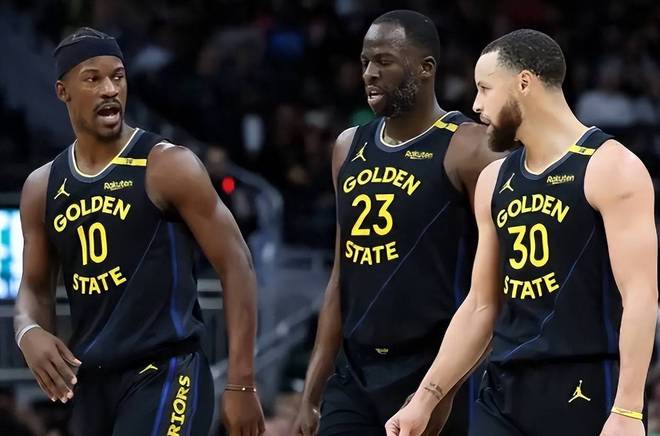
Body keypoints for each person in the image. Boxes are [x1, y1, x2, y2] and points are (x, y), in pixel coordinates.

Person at [386, 29, 658, 436]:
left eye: (485, 88)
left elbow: (641, 297)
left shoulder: (611, 167)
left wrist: (628, 410)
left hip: (584, 388)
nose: (476, 104)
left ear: (524, 83)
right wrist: (423, 400)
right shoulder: (494, 179)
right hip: (502, 390)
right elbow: (480, 306)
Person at [13, 27, 265, 436]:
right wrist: (29, 331)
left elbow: (237, 264)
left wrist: (242, 381)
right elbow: (34, 290)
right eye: (93, 79)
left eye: (118, 76)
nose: (110, 89)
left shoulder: (167, 165)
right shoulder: (42, 187)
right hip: (92, 383)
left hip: (167, 371)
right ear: (63, 91)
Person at [292, 10, 502, 436]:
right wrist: (311, 395)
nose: (369, 73)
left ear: (426, 68)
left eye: (384, 61)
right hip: (354, 374)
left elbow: (498, 285)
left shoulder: (470, 148)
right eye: (365, 61)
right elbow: (340, 277)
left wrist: (441, 389)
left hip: (434, 365)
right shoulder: (348, 146)